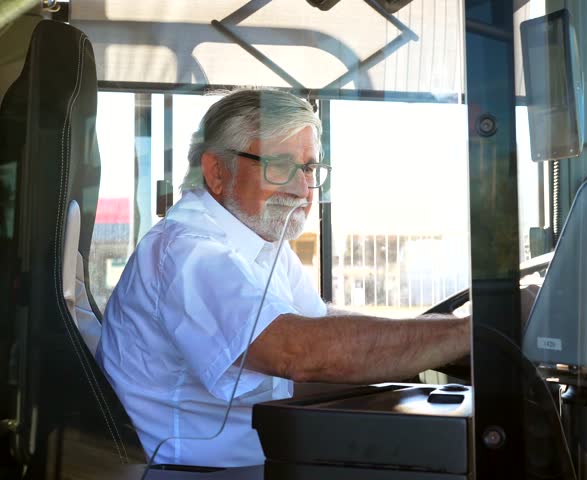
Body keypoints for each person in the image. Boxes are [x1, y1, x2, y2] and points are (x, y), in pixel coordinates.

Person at [96, 89, 470, 467]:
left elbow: (318, 325)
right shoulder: (188, 252)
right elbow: (300, 352)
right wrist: (466, 333)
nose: (300, 188)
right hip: (199, 472)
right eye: (278, 165)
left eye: (309, 168)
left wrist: (427, 337)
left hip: (267, 458)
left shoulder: (261, 241)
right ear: (217, 172)